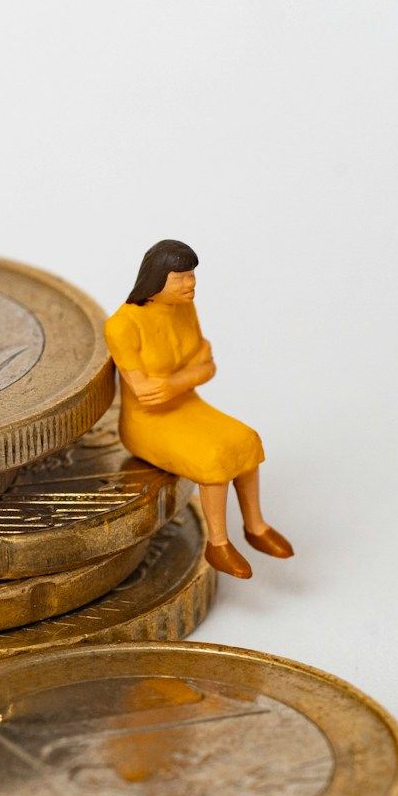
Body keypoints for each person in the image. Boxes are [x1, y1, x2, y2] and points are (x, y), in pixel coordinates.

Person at [104, 239, 295, 579]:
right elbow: (147, 393)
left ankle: (255, 526)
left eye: (191, 275)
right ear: (156, 279)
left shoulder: (185, 309)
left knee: (247, 439)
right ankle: (218, 543)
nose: (190, 284)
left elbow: (208, 368)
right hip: (147, 423)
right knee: (213, 456)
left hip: (187, 405)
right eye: (180, 278)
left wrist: (175, 382)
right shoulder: (123, 325)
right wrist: (185, 376)